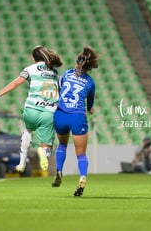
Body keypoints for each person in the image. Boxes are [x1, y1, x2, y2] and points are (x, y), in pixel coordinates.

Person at [0, 45, 63, 173]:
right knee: (46, 144)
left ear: (33, 58)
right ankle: (43, 153)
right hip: (49, 111)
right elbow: (61, 91)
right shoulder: (55, 72)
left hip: (32, 108)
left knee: (28, 131)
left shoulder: (30, 69)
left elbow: (15, 83)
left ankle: (21, 163)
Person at [51, 46, 99, 197]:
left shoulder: (66, 73)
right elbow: (89, 105)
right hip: (77, 117)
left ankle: (59, 171)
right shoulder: (90, 83)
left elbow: (59, 90)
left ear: (76, 62)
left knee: (62, 145)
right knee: (81, 155)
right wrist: (90, 109)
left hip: (60, 115)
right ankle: (83, 177)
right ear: (89, 66)